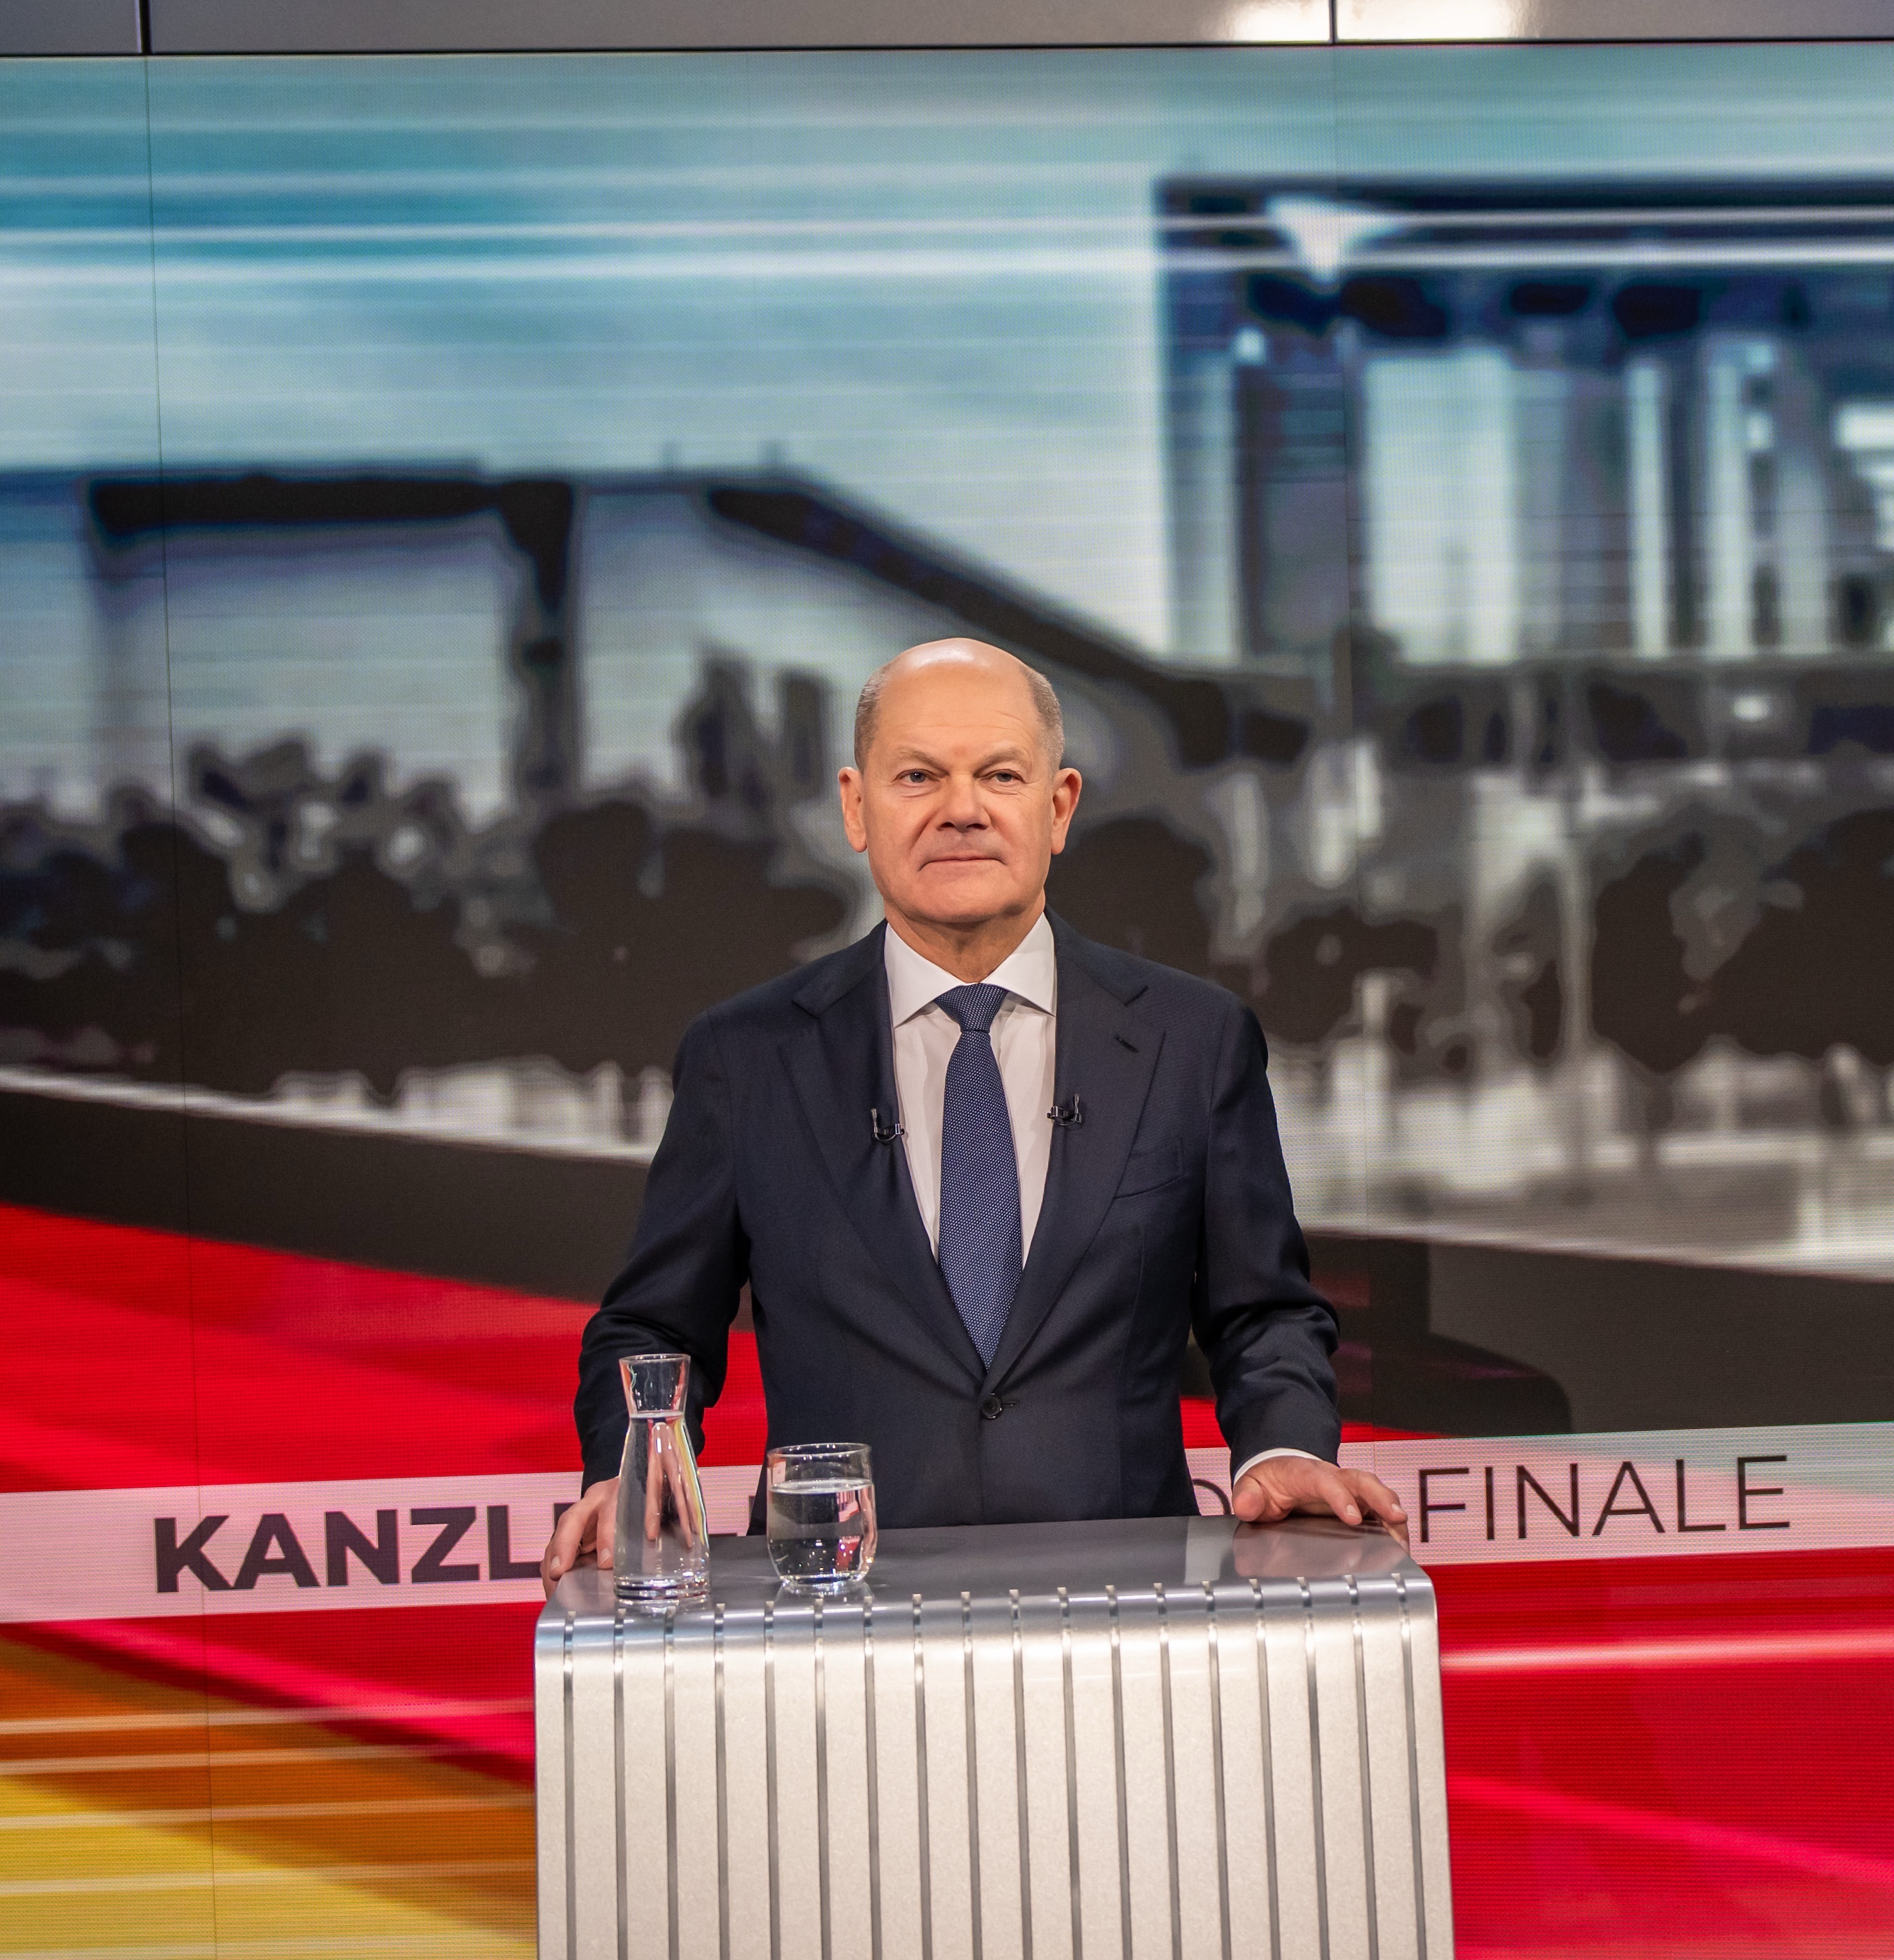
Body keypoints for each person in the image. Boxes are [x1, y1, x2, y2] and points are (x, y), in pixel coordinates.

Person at [545, 638, 1399, 1584]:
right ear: (856, 807)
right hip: (836, 1615)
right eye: (918, 775)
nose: (961, 808)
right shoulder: (747, 1058)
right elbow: (653, 1327)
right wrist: (632, 1464)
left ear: (1059, 804)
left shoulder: (1192, 1041)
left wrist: (1283, 1447)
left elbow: (1264, 1312)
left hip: (1126, 1607)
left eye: (999, 773)